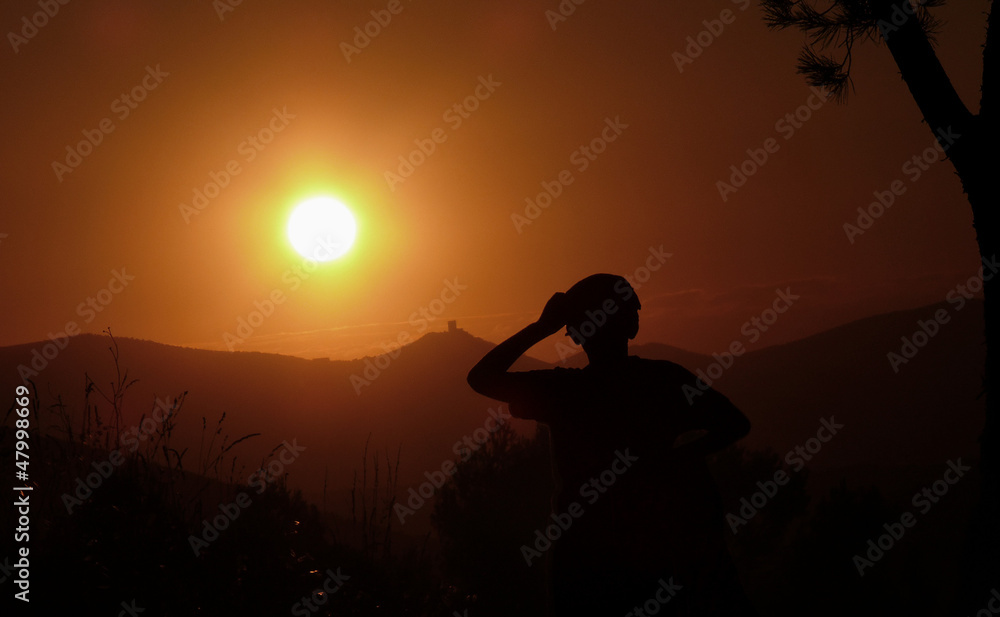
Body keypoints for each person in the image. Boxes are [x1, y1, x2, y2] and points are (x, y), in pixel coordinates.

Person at [467, 273, 757, 616]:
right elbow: (735, 423)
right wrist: (674, 461)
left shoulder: (566, 392)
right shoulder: (665, 380)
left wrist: (542, 327)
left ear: (575, 333)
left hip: (586, 561)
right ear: (631, 325)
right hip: (658, 554)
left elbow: (482, 378)